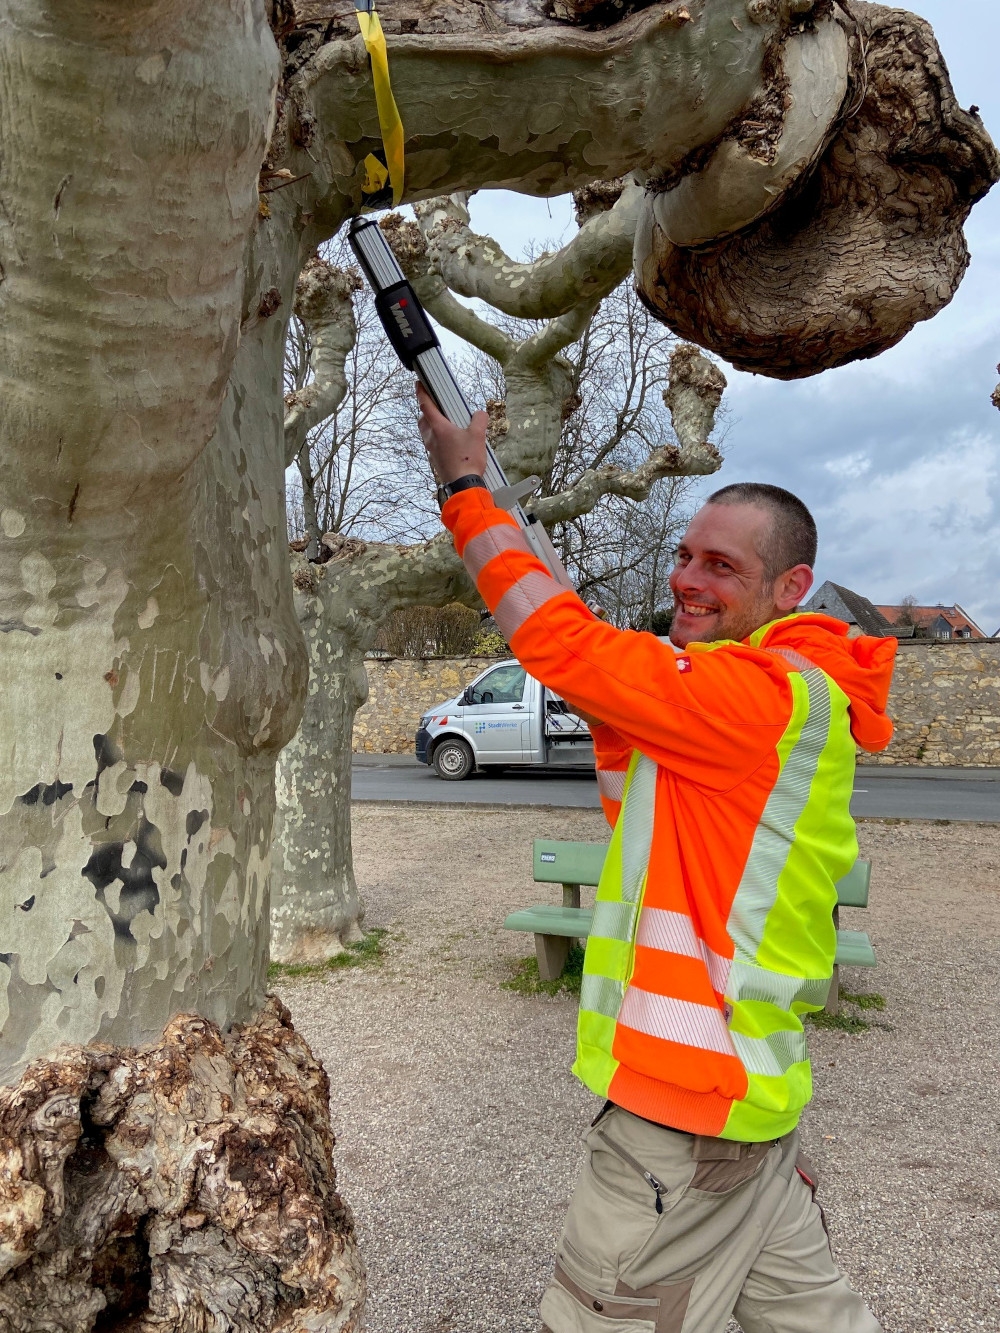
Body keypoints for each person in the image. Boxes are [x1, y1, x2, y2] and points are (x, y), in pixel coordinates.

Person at [416, 384, 896, 1333]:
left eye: (721, 564)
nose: (687, 578)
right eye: (683, 554)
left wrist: (465, 486)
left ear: (788, 589)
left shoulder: (755, 696)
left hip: (683, 1123)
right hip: (747, 1115)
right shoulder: (784, 698)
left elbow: (561, 646)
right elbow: (617, 729)